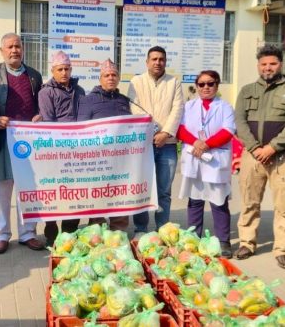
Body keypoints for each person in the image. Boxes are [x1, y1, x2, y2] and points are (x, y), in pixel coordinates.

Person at [234, 45, 285, 269]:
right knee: (249, 202)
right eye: (263, 64)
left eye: (272, 63)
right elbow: (240, 122)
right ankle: (247, 243)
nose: (268, 68)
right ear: (258, 66)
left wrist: (272, 148)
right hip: (252, 156)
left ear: (280, 64)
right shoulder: (246, 90)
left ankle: (282, 250)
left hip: (282, 157)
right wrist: (255, 148)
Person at [0, 33, 45, 254]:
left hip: (28, 142)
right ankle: (1, 234)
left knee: (28, 188)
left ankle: (28, 233)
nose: (14, 50)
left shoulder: (34, 75)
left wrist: (40, 116)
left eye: (18, 46)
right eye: (10, 47)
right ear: (2, 51)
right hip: (1, 139)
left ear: (22, 49)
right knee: (1, 189)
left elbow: (41, 105)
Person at [176, 70, 235, 258]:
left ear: (217, 85)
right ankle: (193, 240)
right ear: (197, 87)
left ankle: (223, 241)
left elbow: (228, 131)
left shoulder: (225, 107)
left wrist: (206, 144)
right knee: (194, 201)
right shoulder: (189, 106)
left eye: (210, 83)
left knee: (219, 201)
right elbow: (180, 129)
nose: (206, 87)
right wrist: (196, 143)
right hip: (194, 157)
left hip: (215, 159)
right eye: (201, 84)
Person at [128, 46, 184, 234]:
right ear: (147, 62)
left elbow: (177, 109)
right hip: (143, 145)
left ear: (165, 62)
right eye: (154, 59)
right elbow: (133, 107)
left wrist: (165, 133)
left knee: (164, 191)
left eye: (161, 59)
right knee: (142, 188)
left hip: (167, 145)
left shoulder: (173, 82)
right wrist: (149, 132)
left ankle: (162, 229)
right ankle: (141, 229)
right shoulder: (136, 81)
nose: (157, 62)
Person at [77, 59, 131, 231]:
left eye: (114, 75)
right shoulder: (88, 100)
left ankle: (118, 232)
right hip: (97, 160)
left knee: (120, 194)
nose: (110, 78)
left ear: (119, 78)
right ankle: (96, 231)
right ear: (100, 78)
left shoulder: (124, 100)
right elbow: (81, 129)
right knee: (98, 196)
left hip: (120, 159)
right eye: (106, 75)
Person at [38, 51, 86, 245]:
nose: (64, 73)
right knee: (55, 192)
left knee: (75, 192)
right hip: (55, 150)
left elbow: (84, 117)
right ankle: (51, 234)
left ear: (71, 69)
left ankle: (70, 232)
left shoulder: (79, 91)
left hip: (77, 151)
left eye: (67, 69)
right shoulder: (46, 92)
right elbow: (49, 122)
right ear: (53, 71)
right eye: (60, 69)